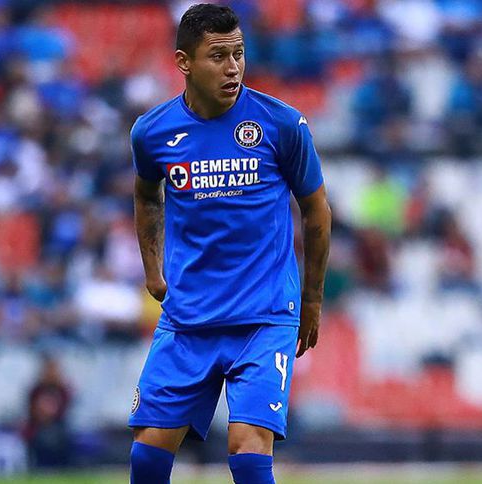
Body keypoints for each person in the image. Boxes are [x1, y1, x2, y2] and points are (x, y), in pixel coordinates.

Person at [127, 4, 331, 483]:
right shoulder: (152, 133)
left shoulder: (281, 125)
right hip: (188, 317)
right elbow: (146, 195)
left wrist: (312, 299)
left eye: (238, 53)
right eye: (218, 56)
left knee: (247, 451)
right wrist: (153, 269)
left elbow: (317, 210)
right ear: (184, 62)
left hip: (264, 315)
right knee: (147, 455)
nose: (233, 67)